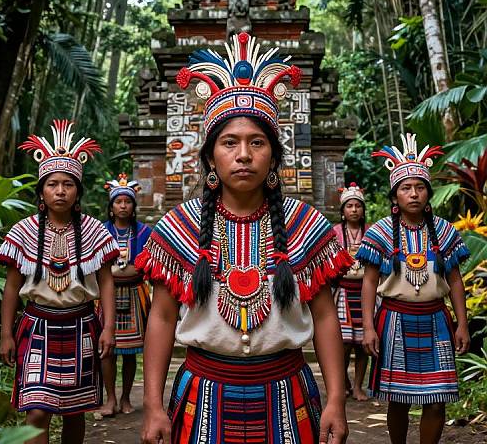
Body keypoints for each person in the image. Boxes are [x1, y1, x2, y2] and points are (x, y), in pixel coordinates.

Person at [136, 32, 351, 444]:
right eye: (229, 143)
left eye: (257, 143)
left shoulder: (306, 226)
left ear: (273, 155)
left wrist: (337, 400)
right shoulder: (178, 227)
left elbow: (325, 317)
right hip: (203, 395)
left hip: (288, 393)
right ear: (211, 157)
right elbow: (161, 318)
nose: (244, 155)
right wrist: (152, 405)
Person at [0, 120, 119, 444]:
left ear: (78, 190)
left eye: (68, 184)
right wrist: (6, 333)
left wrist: (108, 328)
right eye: (52, 184)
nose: (60, 191)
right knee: (36, 410)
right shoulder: (23, 232)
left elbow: (106, 281)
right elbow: (11, 287)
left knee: (74, 411)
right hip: (37, 325)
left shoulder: (95, 231)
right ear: (42, 191)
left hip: (81, 325)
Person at [357, 133, 470, 444]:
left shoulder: (445, 231)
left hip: (436, 320)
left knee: (437, 397)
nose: (414, 194)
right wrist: (368, 327)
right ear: (396, 195)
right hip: (394, 320)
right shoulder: (379, 232)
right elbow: (369, 282)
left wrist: (462, 323)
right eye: (406, 188)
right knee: (399, 398)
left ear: (428, 193)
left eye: (420, 187)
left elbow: (456, 280)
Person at [98, 173, 151, 416]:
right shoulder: (100, 232)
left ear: (133, 206)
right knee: (107, 349)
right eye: (118, 202)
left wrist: (119, 272)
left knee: (130, 352)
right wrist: (124, 271)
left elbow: (145, 265)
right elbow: (97, 267)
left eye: (127, 202)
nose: (122, 206)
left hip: (134, 295)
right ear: (111, 207)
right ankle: (110, 398)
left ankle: (126, 397)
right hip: (106, 298)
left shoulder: (144, 233)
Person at [333, 183, 369, 401]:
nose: (354, 209)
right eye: (350, 206)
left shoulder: (372, 232)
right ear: (343, 211)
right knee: (344, 343)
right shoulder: (335, 233)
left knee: (363, 344)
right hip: (343, 292)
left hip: (365, 293)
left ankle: (357, 386)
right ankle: (344, 381)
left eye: (357, 206)